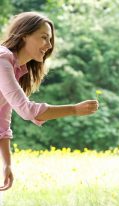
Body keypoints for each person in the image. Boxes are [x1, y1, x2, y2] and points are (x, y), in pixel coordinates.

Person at [0, 12, 99, 191]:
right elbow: (27, 110)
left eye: (50, 39)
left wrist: (7, 164)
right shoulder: (2, 60)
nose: (49, 45)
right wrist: (74, 109)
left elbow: (2, 123)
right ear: (24, 36)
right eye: (44, 38)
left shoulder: (16, 70)